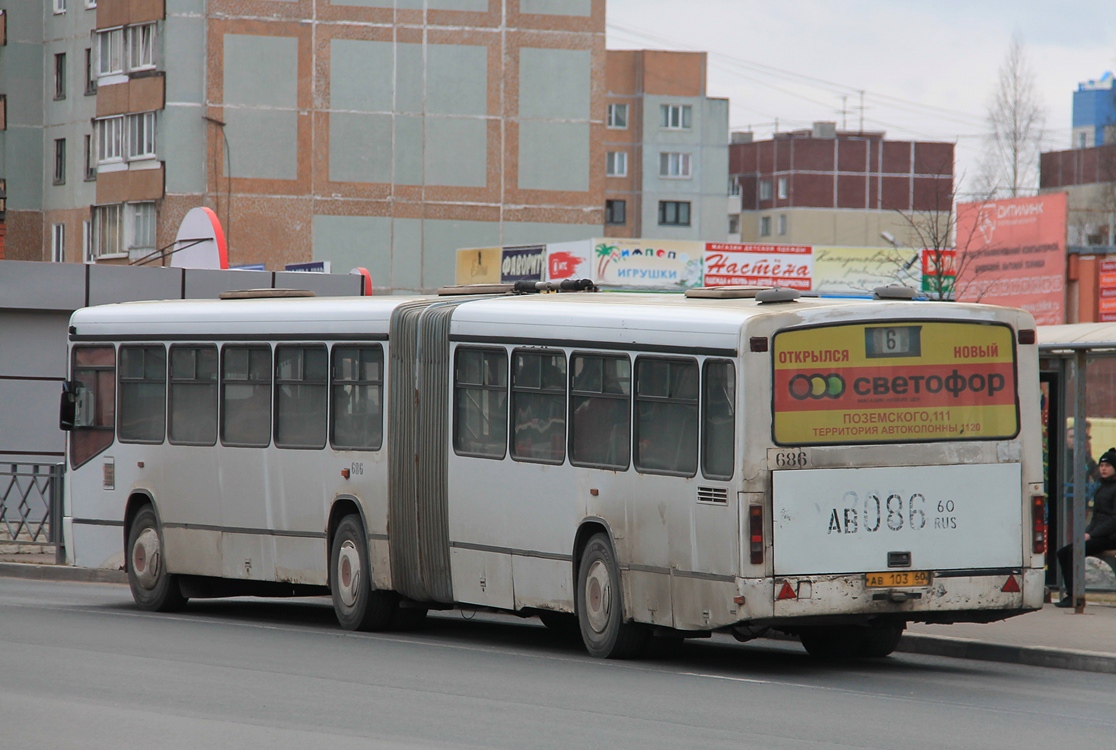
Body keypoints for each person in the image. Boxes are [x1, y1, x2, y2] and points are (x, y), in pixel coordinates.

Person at [1055, 446, 1116, 607]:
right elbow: (1097, 516)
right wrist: (1086, 532)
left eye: (1107, 466)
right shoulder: (1102, 486)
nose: (1103, 469)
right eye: (1101, 466)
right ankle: (1072, 594)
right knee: (1063, 552)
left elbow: (1113, 519)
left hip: (1111, 537)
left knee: (1074, 551)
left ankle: (1074, 597)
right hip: (1099, 535)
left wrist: (1092, 535)